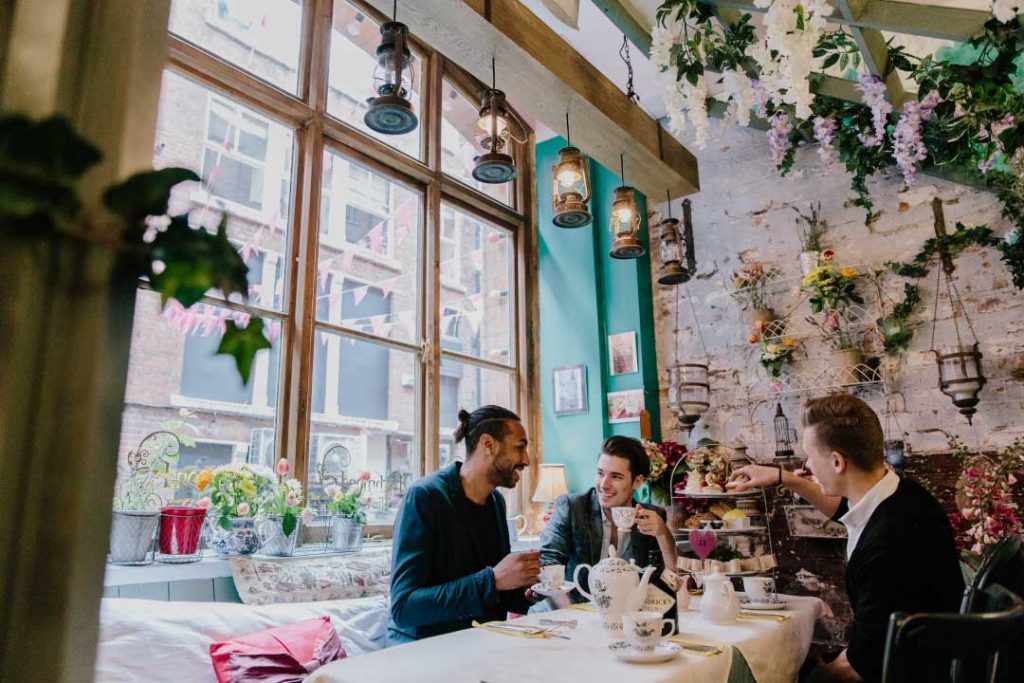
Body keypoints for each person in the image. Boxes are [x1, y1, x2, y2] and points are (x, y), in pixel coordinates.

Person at [728, 394, 964, 683]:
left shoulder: (887, 544)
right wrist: (784, 477)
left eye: (810, 456)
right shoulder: (901, 495)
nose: (807, 465)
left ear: (837, 462)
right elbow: (842, 508)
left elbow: (860, 667)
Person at [388, 405, 540, 645]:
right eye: (520, 447)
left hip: (481, 643)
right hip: (424, 650)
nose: (527, 460)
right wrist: (492, 580)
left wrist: (525, 590)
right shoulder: (424, 497)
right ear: (488, 444)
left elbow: (491, 591)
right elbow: (404, 607)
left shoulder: (495, 502)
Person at [540, 435, 677, 608]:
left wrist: (663, 533)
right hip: (572, 615)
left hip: (628, 617)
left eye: (616, 476)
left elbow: (671, 579)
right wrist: (572, 613)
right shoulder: (572, 507)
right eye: (600, 473)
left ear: (637, 481)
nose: (604, 484)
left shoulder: (651, 516)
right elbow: (547, 563)